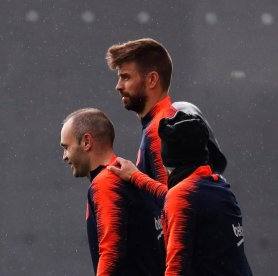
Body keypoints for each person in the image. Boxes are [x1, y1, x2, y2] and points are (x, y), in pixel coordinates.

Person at [108, 111, 252, 275]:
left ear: (169, 159)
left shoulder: (182, 197)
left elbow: (176, 269)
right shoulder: (219, 185)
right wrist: (135, 176)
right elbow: (177, 198)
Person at [105, 38, 227, 189]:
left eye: (126, 77)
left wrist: (135, 177)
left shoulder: (160, 129)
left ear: (152, 80)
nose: (118, 86)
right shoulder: (161, 122)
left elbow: (173, 202)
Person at [60, 108, 165, 276]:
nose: (64, 156)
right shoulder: (131, 178)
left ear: (87, 142)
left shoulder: (106, 183)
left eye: (66, 147)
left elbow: (111, 254)